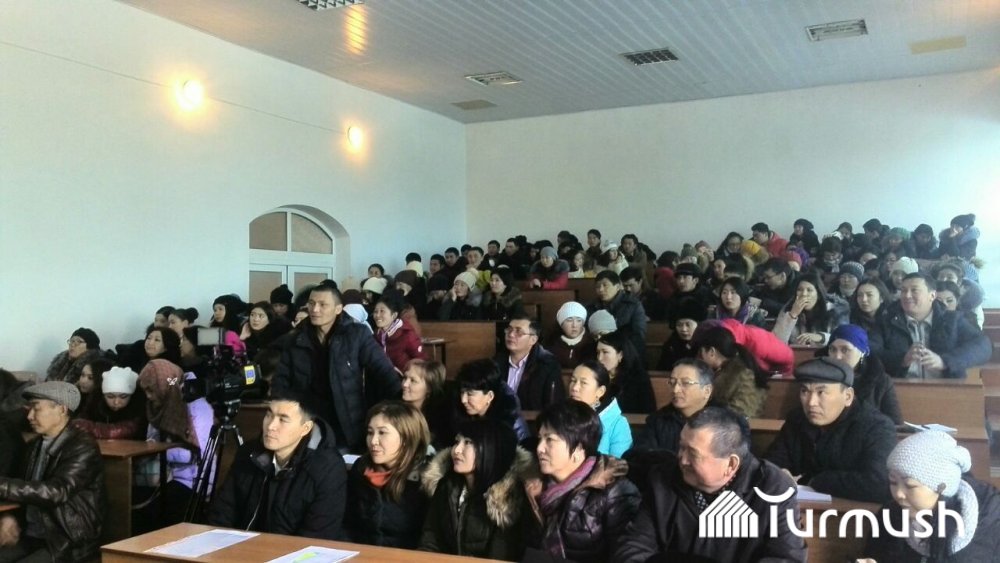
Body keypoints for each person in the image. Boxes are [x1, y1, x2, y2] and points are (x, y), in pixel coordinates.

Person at [614, 407, 806, 563]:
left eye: (693, 454)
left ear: (731, 464)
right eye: (681, 447)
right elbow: (633, 546)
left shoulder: (773, 488)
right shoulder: (663, 479)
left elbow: (786, 557)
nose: (682, 459)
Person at [272, 283, 402, 453]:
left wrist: (398, 412)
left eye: (323, 304)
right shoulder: (296, 339)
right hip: (307, 423)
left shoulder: (356, 335)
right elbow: (280, 384)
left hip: (347, 423)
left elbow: (385, 373)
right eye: (311, 303)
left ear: (338, 309)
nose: (315, 309)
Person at [208, 390, 346, 539]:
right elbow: (221, 513)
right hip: (241, 548)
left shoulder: (328, 469)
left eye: (283, 420)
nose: (271, 426)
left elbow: (317, 537)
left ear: (305, 428)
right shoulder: (248, 454)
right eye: (269, 415)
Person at [765, 357, 896, 503]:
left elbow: (878, 483)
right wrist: (779, 473)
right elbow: (770, 462)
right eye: (805, 391)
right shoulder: (796, 419)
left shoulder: (877, 427)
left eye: (821, 392)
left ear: (848, 397)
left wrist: (815, 480)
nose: (811, 403)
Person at [0, 382, 106, 562]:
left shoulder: (82, 447)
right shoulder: (34, 446)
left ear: (62, 410)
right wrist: (10, 516)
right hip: (32, 534)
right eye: (29, 409)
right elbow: (22, 488)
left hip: (65, 539)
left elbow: (57, 491)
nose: (30, 416)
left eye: (36, 409)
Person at [525, 401, 641, 563]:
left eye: (550, 439)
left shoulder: (614, 492)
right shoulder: (533, 487)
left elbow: (626, 555)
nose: (539, 448)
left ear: (579, 449)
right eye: (540, 439)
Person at [861, 431, 1000, 563]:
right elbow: (875, 554)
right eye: (893, 482)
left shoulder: (989, 520)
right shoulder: (891, 514)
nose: (898, 493)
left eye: (910, 486)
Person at [419, 418, 532, 560]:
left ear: (490, 448)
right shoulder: (447, 485)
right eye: (457, 442)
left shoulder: (507, 497)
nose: (456, 450)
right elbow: (430, 540)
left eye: (468, 442)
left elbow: (501, 555)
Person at [871, 273, 991, 379]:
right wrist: (902, 359)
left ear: (932, 296)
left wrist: (944, 361)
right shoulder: (886, 322)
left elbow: (983, 346)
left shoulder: (952, 319)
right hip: (899, 388)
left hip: (947, 389)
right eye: (903, 290)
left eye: (914, 290)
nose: (907, 295)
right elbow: (871, 352)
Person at [346, 401, 431, 548]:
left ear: (406, 438)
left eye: (382, 433)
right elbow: (347, 524)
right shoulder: (361, 469)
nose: (373, 441)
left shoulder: (425, 479)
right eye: (370, 432)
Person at [138, 359, 214, 525]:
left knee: (153, 514)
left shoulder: (197, 408)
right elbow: (152, 438)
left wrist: (159, 451)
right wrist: (153, 446)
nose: (148, 396)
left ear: (163, 386)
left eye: (151, 390)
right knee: (135, 498)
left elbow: (200, 453)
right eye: (145, 391)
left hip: (194, 479)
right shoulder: (160, 403)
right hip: (166, 474)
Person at [823, 324, 902, 424]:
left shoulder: (881, 381)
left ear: (862, 352)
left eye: (845, 350)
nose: (837, 356)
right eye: (833, 349)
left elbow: (895, 424)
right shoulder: (819, 377)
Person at [641, 359, 716, 453]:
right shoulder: (658, 420)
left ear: (707, 391)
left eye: (685, 383)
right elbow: (643, 454)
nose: (675, 390)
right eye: (672, 382)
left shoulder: (724, 422)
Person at [494, 315, 564, 411]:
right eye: (509, 330)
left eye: (518, 332)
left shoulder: (547, 364)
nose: (511, 335)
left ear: (533, 340)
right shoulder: (496, 362)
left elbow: (553, 403)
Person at [695, 326, 768, 418]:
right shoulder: (724, 370)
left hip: (736, 423)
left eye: (700, 354)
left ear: (712, 352)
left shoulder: (743, 374)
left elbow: (742, 413)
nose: (698, 359)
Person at [453, 359, 530, 444]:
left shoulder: (511, 424)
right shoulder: (460, 415)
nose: (463, 400)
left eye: (470, 394)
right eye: (462, 392)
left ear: (490, 396)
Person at [568, 360, 632, 457]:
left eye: (583, 383)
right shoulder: (560, 417)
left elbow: (618, 464)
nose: (574, 388)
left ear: (600, 391)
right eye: (573, 381)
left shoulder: (618, 424)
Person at [772, 272, 849, 346]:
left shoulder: (835, 311)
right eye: (799, 290)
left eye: (809, 290)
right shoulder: (788, 309)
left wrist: (821, 337)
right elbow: (776, 341)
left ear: (818, 294)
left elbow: (843, 338)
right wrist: (792, 315)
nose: (804, 294)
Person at [72, 365, 148, 439]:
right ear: (103, 395)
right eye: (110, 396)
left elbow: (122, 430)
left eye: (123, 397)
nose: (116, 402)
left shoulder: (139, 408)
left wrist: (84, 426)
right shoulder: (95, 404)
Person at [588, 270, 647, 362]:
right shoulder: (592, 307)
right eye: (598, 286)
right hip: (599, 354)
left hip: (627, 354)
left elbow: (638, 335)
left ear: (618, 286)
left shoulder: (633, 305)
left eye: (605, 285)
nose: (601, 289)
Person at [595, 330, 655, 414]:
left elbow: (648, 410)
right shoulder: (596, 376)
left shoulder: (638, 379)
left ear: (620, 355)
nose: (599, 358)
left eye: (605, 352)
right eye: (598, 353)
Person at [401, 359, 452, 449]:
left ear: (429, 388)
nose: (405, 384)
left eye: (413, 381)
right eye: (405, 378)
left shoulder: (439, 419)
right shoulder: (394, 408)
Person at [372, 291, 425, 372]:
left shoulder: (407, 335)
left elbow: (421, 360)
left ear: (394, 315)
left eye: (382, 311)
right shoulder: (376, 335)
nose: (377, 315)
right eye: (375, 311)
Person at [655, 298, 705, 371]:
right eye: (679, 325)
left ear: (697, 325)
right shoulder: (670, 345)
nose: (683, 329)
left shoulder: (705, 344)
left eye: (688, 325)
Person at [547, 301, 595, 369]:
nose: (574, 325)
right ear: (561, 324)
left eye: (579, 320)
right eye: (569, 320)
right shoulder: (552, 344)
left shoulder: (591, 344)